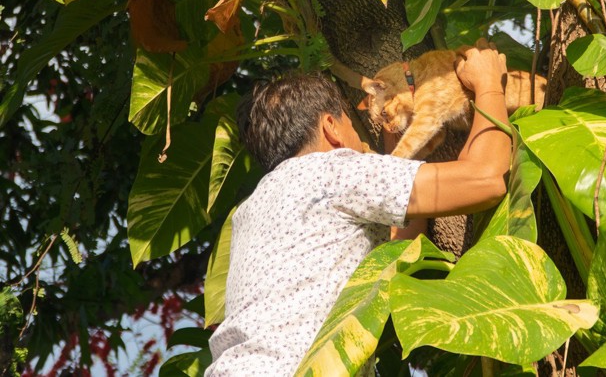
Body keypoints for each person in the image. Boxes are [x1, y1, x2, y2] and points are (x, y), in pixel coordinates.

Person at [205, 39, 511, 376]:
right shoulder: (332, 171)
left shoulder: (254, 208)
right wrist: (488, 85)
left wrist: (405, 163)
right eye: (352, 124)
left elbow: (397, 249)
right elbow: (486, 179)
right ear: (330, 128)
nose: (358, 135)